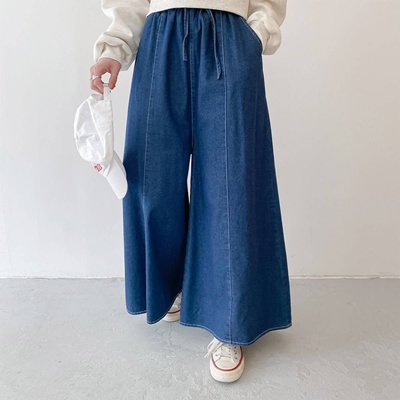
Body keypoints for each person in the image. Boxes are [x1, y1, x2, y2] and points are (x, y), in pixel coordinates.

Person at [89, 0, 292, 383]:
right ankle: (170, 287)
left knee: (230, 186)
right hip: (160, 35)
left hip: (229, 34)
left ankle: (230, 321)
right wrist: (114, 47)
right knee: (149, 177)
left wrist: (255, 35)